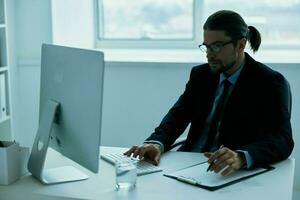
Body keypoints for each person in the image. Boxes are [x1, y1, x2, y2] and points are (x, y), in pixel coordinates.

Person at [124, 10, 294, 176]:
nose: (209, 55)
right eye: (207, 47)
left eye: (217, 46)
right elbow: (177, 117)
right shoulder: (201, 75)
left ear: (241, 44)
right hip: (186, 163)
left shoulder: (269, 82)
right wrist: (156, 143)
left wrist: (241, 156)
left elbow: (282, 140)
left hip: (227, 171)